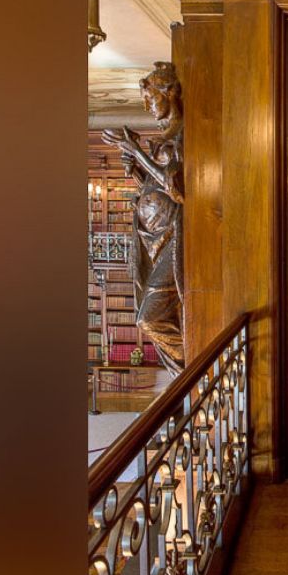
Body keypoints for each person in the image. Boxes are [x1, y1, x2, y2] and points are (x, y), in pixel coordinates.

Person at [102, 61, 185, 375]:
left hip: (176, 237)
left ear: (170, 93)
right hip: (157, 239)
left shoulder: (182, 135)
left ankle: (190, 364)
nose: (148, 106)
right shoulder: (168, 135)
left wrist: (136, 150)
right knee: (152, 313)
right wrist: (137, 171)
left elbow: (177, 188)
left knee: (148, 318)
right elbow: (158, 187)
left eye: (151, 98)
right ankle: (188, 365)